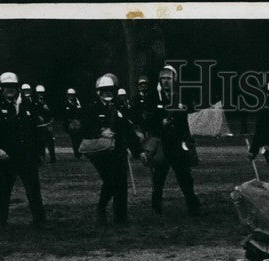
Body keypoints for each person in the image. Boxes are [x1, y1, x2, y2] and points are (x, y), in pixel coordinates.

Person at [0, 71, 46, 229]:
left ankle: (39, 221)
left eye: (12, 86)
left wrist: (39, 152)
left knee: (33, 189)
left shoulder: (28, 104)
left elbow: (37, 130)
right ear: (1, 88)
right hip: (6, 155)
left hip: (27, 154)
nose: (9, 89)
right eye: (6, 87)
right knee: (3, 189)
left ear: (17, 87)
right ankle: (2, 221)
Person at [81, 74, 146, 225]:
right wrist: (100, 131)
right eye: (105, 90)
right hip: (100, 153)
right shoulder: (92, 108)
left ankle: (120, 218)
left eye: (111, 90)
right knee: (110, 181)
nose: (108, 93)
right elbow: (84, 129)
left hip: (118, 151)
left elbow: (128, 132)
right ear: (98, 92)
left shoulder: (118, 108)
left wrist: (139, 151)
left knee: (122, 185)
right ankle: (101, 208)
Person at [143, 64, 201, 216]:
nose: (165, 81)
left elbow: (191, 113)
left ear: (174, 79)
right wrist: (159, 122)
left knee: (185, 178)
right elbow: (146, 120)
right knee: (158, 179)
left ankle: (193, 207)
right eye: (162, 78)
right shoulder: (153, 96)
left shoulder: (183, 95)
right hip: (162, 143)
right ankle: (156, 207)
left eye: (168, 78)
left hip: (178, 142)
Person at [33, 84, 57, 164]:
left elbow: (53, 112)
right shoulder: (34, 101)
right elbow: (34, 112)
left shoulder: (48, 101)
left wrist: (51, 119)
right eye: (39, 93)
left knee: (50, 142)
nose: (41, 94)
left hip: (48, 124)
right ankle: (41, 157)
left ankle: (53, 158)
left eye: (42, 93)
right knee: (41, 142)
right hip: (40, 125)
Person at [62, 88, 84, 158]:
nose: (71, 96)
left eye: (73, 95)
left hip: (78, 123)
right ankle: (77, 154)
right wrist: (69, 122)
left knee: (79, 138)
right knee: (74, 139)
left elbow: (80, 112)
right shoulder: (65, 103)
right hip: (70, 124)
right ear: (67, 95)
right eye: (70, 95)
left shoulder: (77, 102)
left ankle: (79, 152)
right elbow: (64, 115)